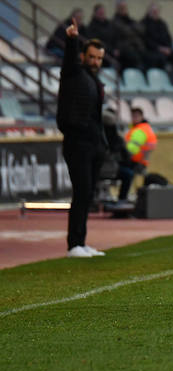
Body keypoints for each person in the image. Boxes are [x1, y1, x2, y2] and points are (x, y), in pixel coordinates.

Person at [56, 18, 108, 258]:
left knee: (87, 194)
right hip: (77, 143)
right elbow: (68, 61)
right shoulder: (73, 73)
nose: (96, 61)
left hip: (93, 144)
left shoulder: (94, 81)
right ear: (83, 55)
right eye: (92, 57)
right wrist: (72, 40)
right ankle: (73, 244)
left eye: (99, 58)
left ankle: (81, 241)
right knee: (82, 191)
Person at [117, 107, 157, 202]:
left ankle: (122, 199)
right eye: (133, 116)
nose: (134, 118)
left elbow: (130, 150)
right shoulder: (144, 128)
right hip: (140, 161)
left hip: (134, 162)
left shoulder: (140, 130)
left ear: (142, 117)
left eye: (136, 116)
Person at [111, 0, 150, 70]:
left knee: (150, 56)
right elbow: (126, 32)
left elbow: (142, 29)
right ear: (117, 8)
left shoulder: (129, 19)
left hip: (137, 48)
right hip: (125, 49)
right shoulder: (114, 21)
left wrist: (133, 28)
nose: (123, 9)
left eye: (124, 7)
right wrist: (134, 29)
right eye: (121, 7)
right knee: (135, 58)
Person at [86, 4, 119, 68]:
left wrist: (117, 49)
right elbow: (96, 42)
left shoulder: (110, 25)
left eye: (103, 13)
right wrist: (111, 51)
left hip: (112, 53)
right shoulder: (92, 27)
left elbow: (116, 37)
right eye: (100, 13)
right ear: (95, 14)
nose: (102, 15)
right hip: (102, 54)